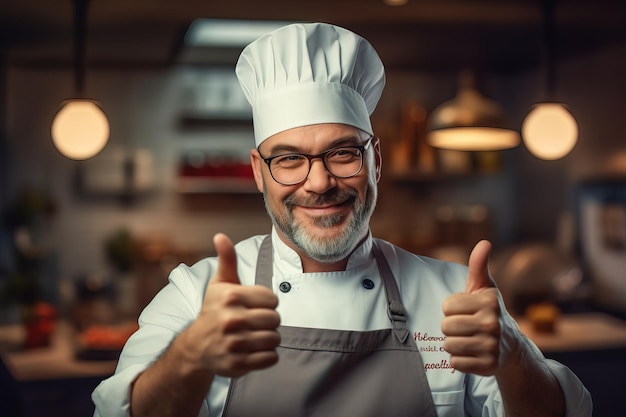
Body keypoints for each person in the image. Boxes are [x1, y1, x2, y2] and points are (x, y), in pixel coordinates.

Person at [92, 22, 591, 417]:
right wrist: (191, 357)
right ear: (257, 173)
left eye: (342, 153)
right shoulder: (193, 297)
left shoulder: (456, 297)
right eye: (288, 159)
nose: (318, 182)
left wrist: (511, 360)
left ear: (376, 159)